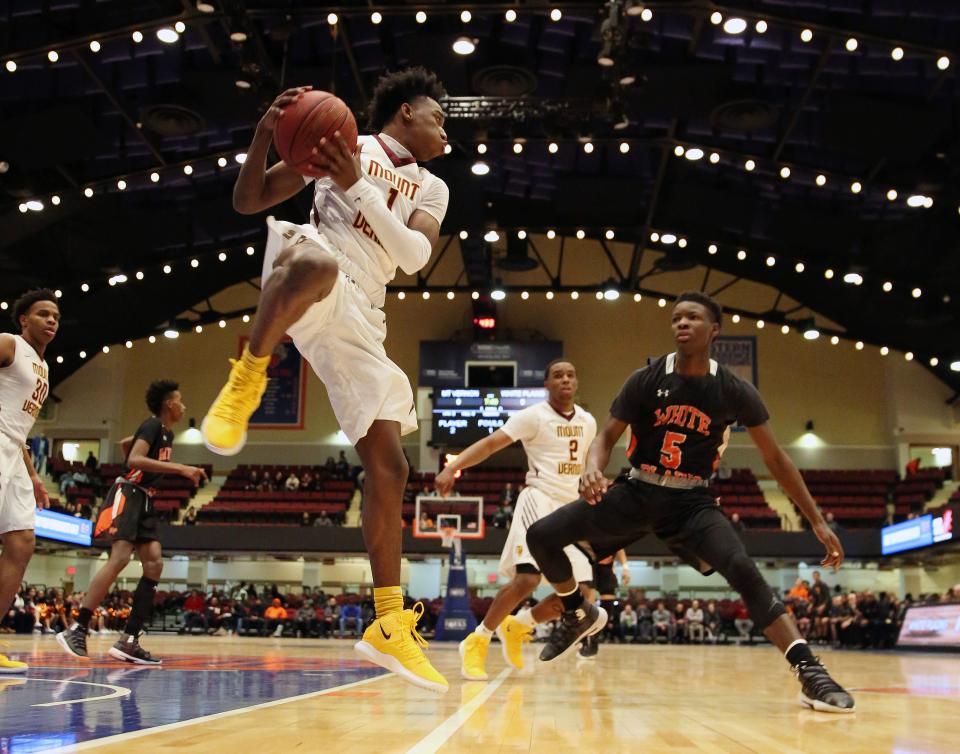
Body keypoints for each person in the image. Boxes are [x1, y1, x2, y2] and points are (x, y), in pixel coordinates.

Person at [200, 68, 450, 693]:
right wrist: (263, 135)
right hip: (314, 266)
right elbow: (249, 200)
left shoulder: (432, 187)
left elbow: (415, 259)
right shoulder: (345, 140)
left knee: (390, 468)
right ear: (403, 113)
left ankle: (389, 623)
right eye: (436, 116)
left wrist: (357, 188)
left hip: (366, 313)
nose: (444, 128)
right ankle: (249, 376)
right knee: (311, 258)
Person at [526, 292, 855, 713]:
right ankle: (576, 613)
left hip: (691, 501)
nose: (682, 323)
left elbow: (776, 458)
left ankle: (810, 672)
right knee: (542, 536)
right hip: (636, 489)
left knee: (743, 570)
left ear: (713, 329)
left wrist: (817, 521)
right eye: (676, 317)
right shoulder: (645, 378)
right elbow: (606, 436)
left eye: (693, 317)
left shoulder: (732, 390)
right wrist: (593, 467)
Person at [436, 359, 597, 680]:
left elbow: (588, 464)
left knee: (584, 591)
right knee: (528, 579)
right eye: (557, 375)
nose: (565, 379)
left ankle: (519, 625)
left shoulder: (588, 421)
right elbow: (491, 443)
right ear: (547, 384)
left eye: (570, 374)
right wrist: (453, 467)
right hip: (537, 500)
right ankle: (477, 640)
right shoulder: (533, 416)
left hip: (567, 508)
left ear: (576, 382)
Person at [57, 380, 207, 664]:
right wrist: (181, 468)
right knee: (121, 558)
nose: (184, 405)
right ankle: (77, 628)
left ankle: (130, 639)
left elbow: (127, 446)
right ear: (169, 404)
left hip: (147, 499)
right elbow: (135, 459)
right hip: (130, 494)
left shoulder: (166, 434)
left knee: (154, 563)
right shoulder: (151, 425)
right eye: (181, 400)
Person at [0, 289, 58, 673]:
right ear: (24, 320)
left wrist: (36, 476)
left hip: (15, 452)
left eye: (55, 315)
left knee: (22, 543)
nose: (51, 320)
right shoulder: (9, 344)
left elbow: (20, 429)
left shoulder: (44, 367)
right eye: (43, 314)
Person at [584, 549, 629, 657]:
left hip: (607, 568)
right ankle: (584, 640)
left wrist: (625, 568)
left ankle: (594, 641)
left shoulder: (615, 534)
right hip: (590, 565)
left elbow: (620, 548)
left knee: (607, 611)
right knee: (588, 607)